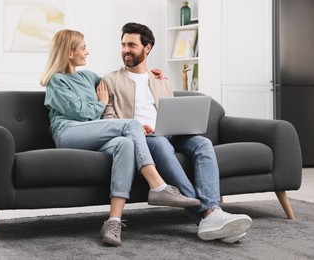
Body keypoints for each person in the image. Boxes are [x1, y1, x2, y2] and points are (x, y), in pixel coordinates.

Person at [39, 29, 200, 247]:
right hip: (68, 132)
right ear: (69, 52)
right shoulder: (56, 81)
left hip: (93, 132)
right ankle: (158, 185)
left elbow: (117, 79)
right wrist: (100, 103)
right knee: (130, 125)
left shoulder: (87, 76)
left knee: (125, 143)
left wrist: (150, 76)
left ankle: (113, 221)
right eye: (84, 47)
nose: (88, 52)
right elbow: (78, 111)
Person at [101, 22, 253, 243]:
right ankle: (208, 215)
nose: (125, 50)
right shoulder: (110, 80)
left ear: (147, 48)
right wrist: (135, 126)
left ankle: (213, 214)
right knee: (161, 144)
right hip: (144, 138)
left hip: (168, 132)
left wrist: (179, 125)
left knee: (202, 143)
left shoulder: (161, 79)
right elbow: (108, 119)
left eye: (132, 45)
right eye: (123, 44)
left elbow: (171, 112)